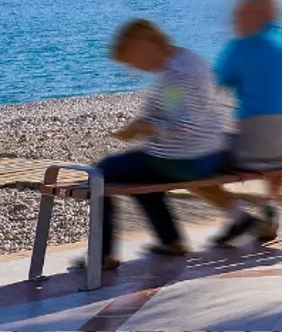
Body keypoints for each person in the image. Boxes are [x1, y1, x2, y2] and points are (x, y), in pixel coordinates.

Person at [86, 19, 229, 270]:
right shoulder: (188, 59)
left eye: (132, 60)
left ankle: (101, 255)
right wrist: (142, 123)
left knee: (101, 172)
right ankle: (170, 240)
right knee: (140, 176)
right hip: (208, 152)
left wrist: (145, 128)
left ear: (145, 45)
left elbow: (183, 125)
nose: (134, 68)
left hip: (184, 160)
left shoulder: (174, 75)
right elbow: (179, 111)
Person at [210, 0, 282, 246]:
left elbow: (208, 90)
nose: (233, 20)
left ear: (256, 16)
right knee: (279, 146)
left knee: (192, 157)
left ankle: (237, 216)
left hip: (258, 149)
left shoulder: (241, 46)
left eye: (238, 15)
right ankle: (271, 205)